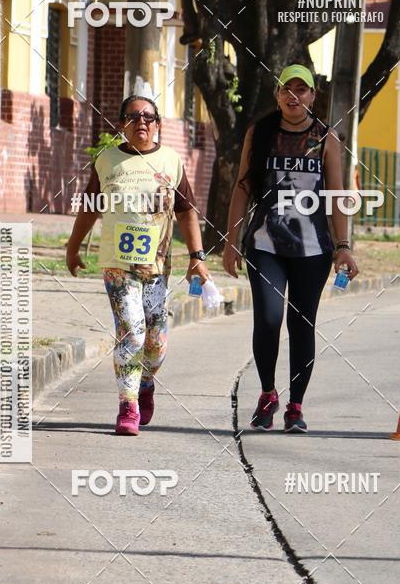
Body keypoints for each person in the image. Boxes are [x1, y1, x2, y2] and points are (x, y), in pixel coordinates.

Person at [223, 64, 359, 433]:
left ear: (313, 96)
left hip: (313, 250)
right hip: (265, 244)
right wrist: (231, 242)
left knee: (302, 325)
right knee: (268, 320)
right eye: (286, 88)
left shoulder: (325, 136)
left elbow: (336, 195)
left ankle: (295, 406)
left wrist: (343, 246)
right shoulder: (261, 131)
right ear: (277, 94)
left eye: (302, 89)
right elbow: (242, 187)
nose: (293, 95)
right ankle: (268, 393)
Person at [66, 95, 209, 436]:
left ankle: (145, 383)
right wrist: (72, 248)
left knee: (156, 345)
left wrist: (197, 257)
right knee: (132, 332)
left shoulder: (171, 161)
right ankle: (127, 405)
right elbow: (89, 208)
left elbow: (186, 211)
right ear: (122, 125)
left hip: (156, 269)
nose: (141, 122)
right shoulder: (107, 161)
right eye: (133, 116)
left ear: (158, 124)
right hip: (117, 265)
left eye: (148, 116)